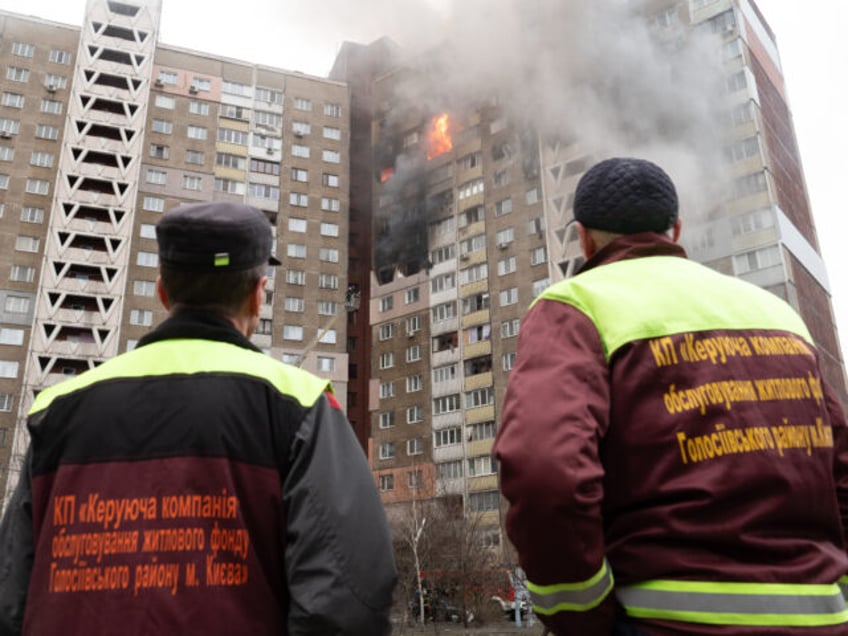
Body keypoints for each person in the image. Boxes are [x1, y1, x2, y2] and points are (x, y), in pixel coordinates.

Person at [0, 201, 397, 634]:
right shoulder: (299, 404)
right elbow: (349, 596)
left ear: (163, 293)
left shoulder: (56, 411)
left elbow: (10, 595)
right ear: (258, 295)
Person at [493, 157, 848, 636]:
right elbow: (840, 471)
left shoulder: (575, 306)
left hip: (662, 623)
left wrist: (578, 614)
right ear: (675, 229)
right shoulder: (776, 313)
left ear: (583, 237)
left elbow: (544, 469)